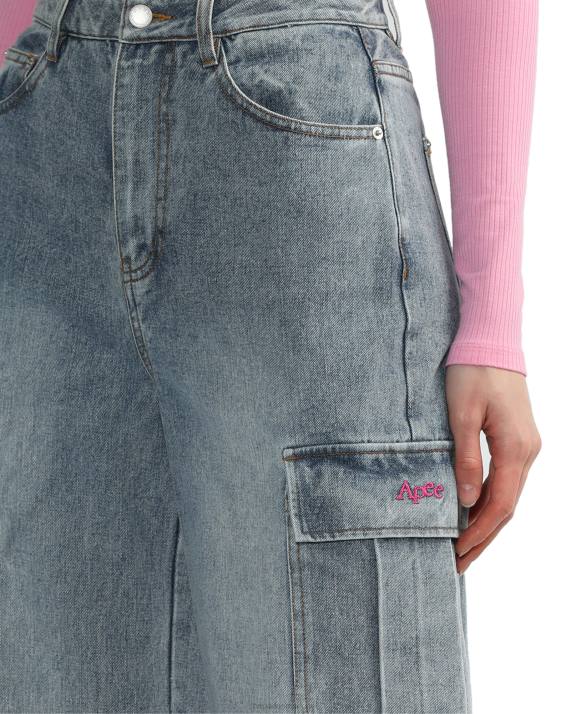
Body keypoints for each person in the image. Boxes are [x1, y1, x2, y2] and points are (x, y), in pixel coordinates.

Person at [0, 0, 541, 712]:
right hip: (40, 113)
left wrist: (492, 319)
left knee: (336, 664)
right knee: (56, 661)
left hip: (294, 110)